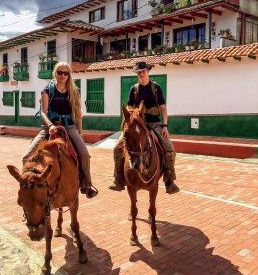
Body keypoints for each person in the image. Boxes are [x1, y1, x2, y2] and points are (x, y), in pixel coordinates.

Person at [23, 61, 98, 198]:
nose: (63, 75)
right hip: (49, 127)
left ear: (69, 75)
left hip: (69, 127)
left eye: (66, 73)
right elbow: (43, 112)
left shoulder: (74, 91)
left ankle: (87, 184)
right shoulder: (48, 90)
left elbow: (78, 113)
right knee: (26, 157)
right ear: (55, 73)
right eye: (60, 72)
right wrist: (50, 125)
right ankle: (28, 185)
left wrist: (80, 133)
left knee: (85, 155)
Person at [109, 61, 180, 194]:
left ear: (148, 71)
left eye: (143, 71)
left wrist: (165, 126)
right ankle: (118, 179)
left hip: (154, 124)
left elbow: (163, 108)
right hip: (138, 124)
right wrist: (134, 113)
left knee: (169, 148)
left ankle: (169, 180)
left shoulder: (156, 88)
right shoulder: (134, 89)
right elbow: (129, 107)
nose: (141, 74)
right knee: (117, 149)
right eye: (139, 72)